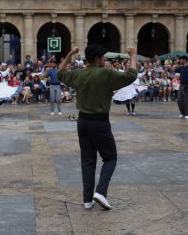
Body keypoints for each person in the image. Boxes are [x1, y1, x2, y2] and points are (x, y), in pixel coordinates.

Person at [57, 45, 137, 210]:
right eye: (104, 57)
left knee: (87, 161)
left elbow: (61, 73)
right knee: (110, 158)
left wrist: (70, 54)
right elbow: (131, 75)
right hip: (100, 122)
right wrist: (133, 55)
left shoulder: (79, 73)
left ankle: (87, 200)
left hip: (82, 122)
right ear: (98, 58)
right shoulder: (105, 73)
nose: (106, 60)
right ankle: (100, 191)